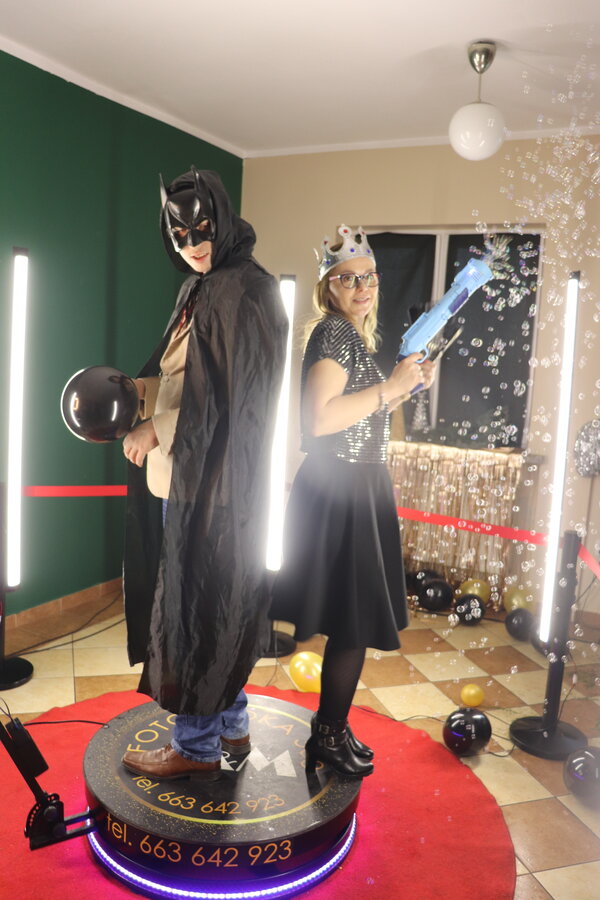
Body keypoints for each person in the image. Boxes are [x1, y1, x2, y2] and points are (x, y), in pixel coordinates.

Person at [120, 167, 288, 780]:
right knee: (214, 605)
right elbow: (184, 375)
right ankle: (232, 727)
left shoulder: (241, 290)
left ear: (222, 218)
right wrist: (132, 395)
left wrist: (155, 428)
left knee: (197, 609)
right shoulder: (204, 286)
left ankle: (193, 749)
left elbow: (229, 401)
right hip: (191, 481)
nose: (192, 243)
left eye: (202, 229)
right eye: (179, 233)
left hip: (212, 488)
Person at [271, 224, 436, 778]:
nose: (362, 287)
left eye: (369, 277)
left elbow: (360, 416)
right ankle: (327, 736)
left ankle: (331, 731)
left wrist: (403, 386)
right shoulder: (336, 333)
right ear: (329, 287)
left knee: (351, 620)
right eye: (348, 279)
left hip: (355, 485)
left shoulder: (354, 338)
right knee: (354, 621)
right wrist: (389, 388)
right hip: (341, 489)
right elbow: (320, 420)